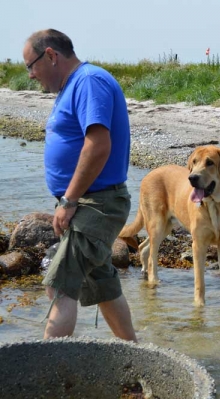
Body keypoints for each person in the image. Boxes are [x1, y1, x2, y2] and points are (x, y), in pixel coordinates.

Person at [23, 29, 137, 341]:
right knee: (103, 285)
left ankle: (46, 377)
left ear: (50, 55)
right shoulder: (74, 85)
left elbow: (98, 145)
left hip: (94, 204)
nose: (31, 75)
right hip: (86, 204)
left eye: (30, 66)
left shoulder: (89, 81)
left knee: (58, 284)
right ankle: (135, 357)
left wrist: (69, 201)